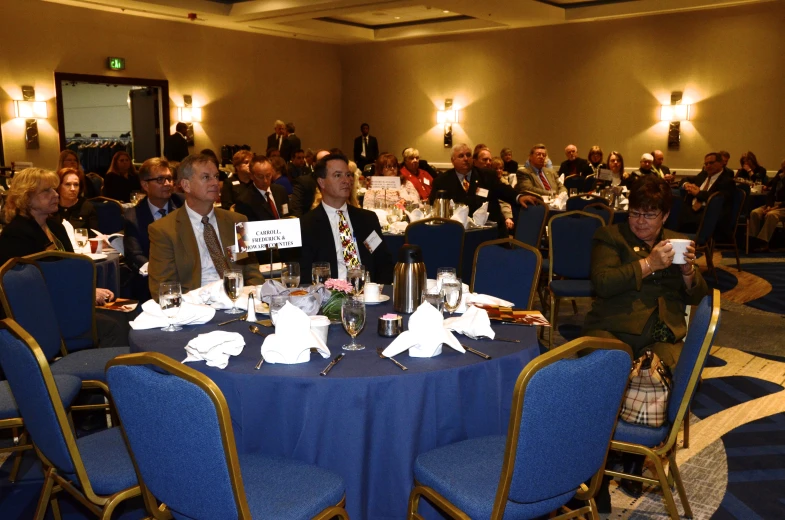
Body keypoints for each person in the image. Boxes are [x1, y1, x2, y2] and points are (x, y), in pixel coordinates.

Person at [583, 175, 708, 506]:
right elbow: (603, 283)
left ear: (664, 216)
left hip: (661, 328)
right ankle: (599, 469)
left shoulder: (677, 243)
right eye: (635, 213)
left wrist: (688, 274)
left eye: (649, 215)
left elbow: (699, 294)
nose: (639, 221)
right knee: (604, 373)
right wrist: (648, 264)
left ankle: (636, 456)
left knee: (658, 374)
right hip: (612, 326)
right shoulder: (609, 236)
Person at [147, 153, 264, 300]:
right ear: (186, 185)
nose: (215, 183)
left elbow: (251, 273)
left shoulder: (237, 222)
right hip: (195, 307)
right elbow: (163, 288)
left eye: (216, 176)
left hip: (238, 301)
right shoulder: (164, 230)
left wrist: (255, 300)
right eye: (206, 177)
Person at [299, 153, 393, 283]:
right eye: (338, 175)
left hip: (368, 294)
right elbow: (305, 275)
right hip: (330, 297)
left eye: (348, 175)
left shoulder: (367, 219)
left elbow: (384, 262)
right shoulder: (307, 225)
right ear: (322, 182)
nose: (346, 180)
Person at [430, 143, 537, 238]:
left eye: (468, 155)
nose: (466, 159)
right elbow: (433, 206)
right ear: (452, 160)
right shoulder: (442, 181)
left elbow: (503, 190)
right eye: (461, 156)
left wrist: (519, 197)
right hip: (458, 235)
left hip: (489, 231)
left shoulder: (487, 175)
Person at [123, 158, 182, 300]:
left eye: (169, 178)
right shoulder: (133, 216)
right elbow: (134, 255)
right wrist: (160, 270)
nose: (167, 184)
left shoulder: (183, 205)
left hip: (186, 275)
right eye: (160, 179)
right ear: (145, 185)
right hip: (152, 281)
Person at [678, 152, 735, 240]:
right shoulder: (704, 175)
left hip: (710, 215)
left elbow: (718, 199)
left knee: (676, 218)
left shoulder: (727, 181)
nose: (708, 166)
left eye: (711, 163)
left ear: (721, 163)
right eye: (706, 164)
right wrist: (686, 184)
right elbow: (685, 179)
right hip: (692, 210)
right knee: (672, 211)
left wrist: (698, 193)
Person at [749, 161, 785, 251]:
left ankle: (763, 243)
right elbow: (771, 193)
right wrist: (769, 206)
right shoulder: (779, 176)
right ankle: (752, 241)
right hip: (773, 203)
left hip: (782, 206)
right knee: (755, 213)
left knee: (771, 215)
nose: (783, 171)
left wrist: (773, 208)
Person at [56, 167, 99, 235]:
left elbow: (93, 236)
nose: (73, 189)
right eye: (68, 184)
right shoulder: (51, 207)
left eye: (76, 185)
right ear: (58, 186)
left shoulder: (87, 207)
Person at [290, 149, 330, 217]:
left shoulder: (338, 182)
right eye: (323, 161)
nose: (327, 164)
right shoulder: (303, 182)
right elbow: (296, 210)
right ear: (314, 164)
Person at [492, 157, 515, 231]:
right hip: (501, 214)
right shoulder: (492, 182)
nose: (499, 171)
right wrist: (507, 217)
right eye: (496, 169)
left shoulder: (504, 181)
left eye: (501, 168)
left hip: (508, 211)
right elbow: (502, 202)